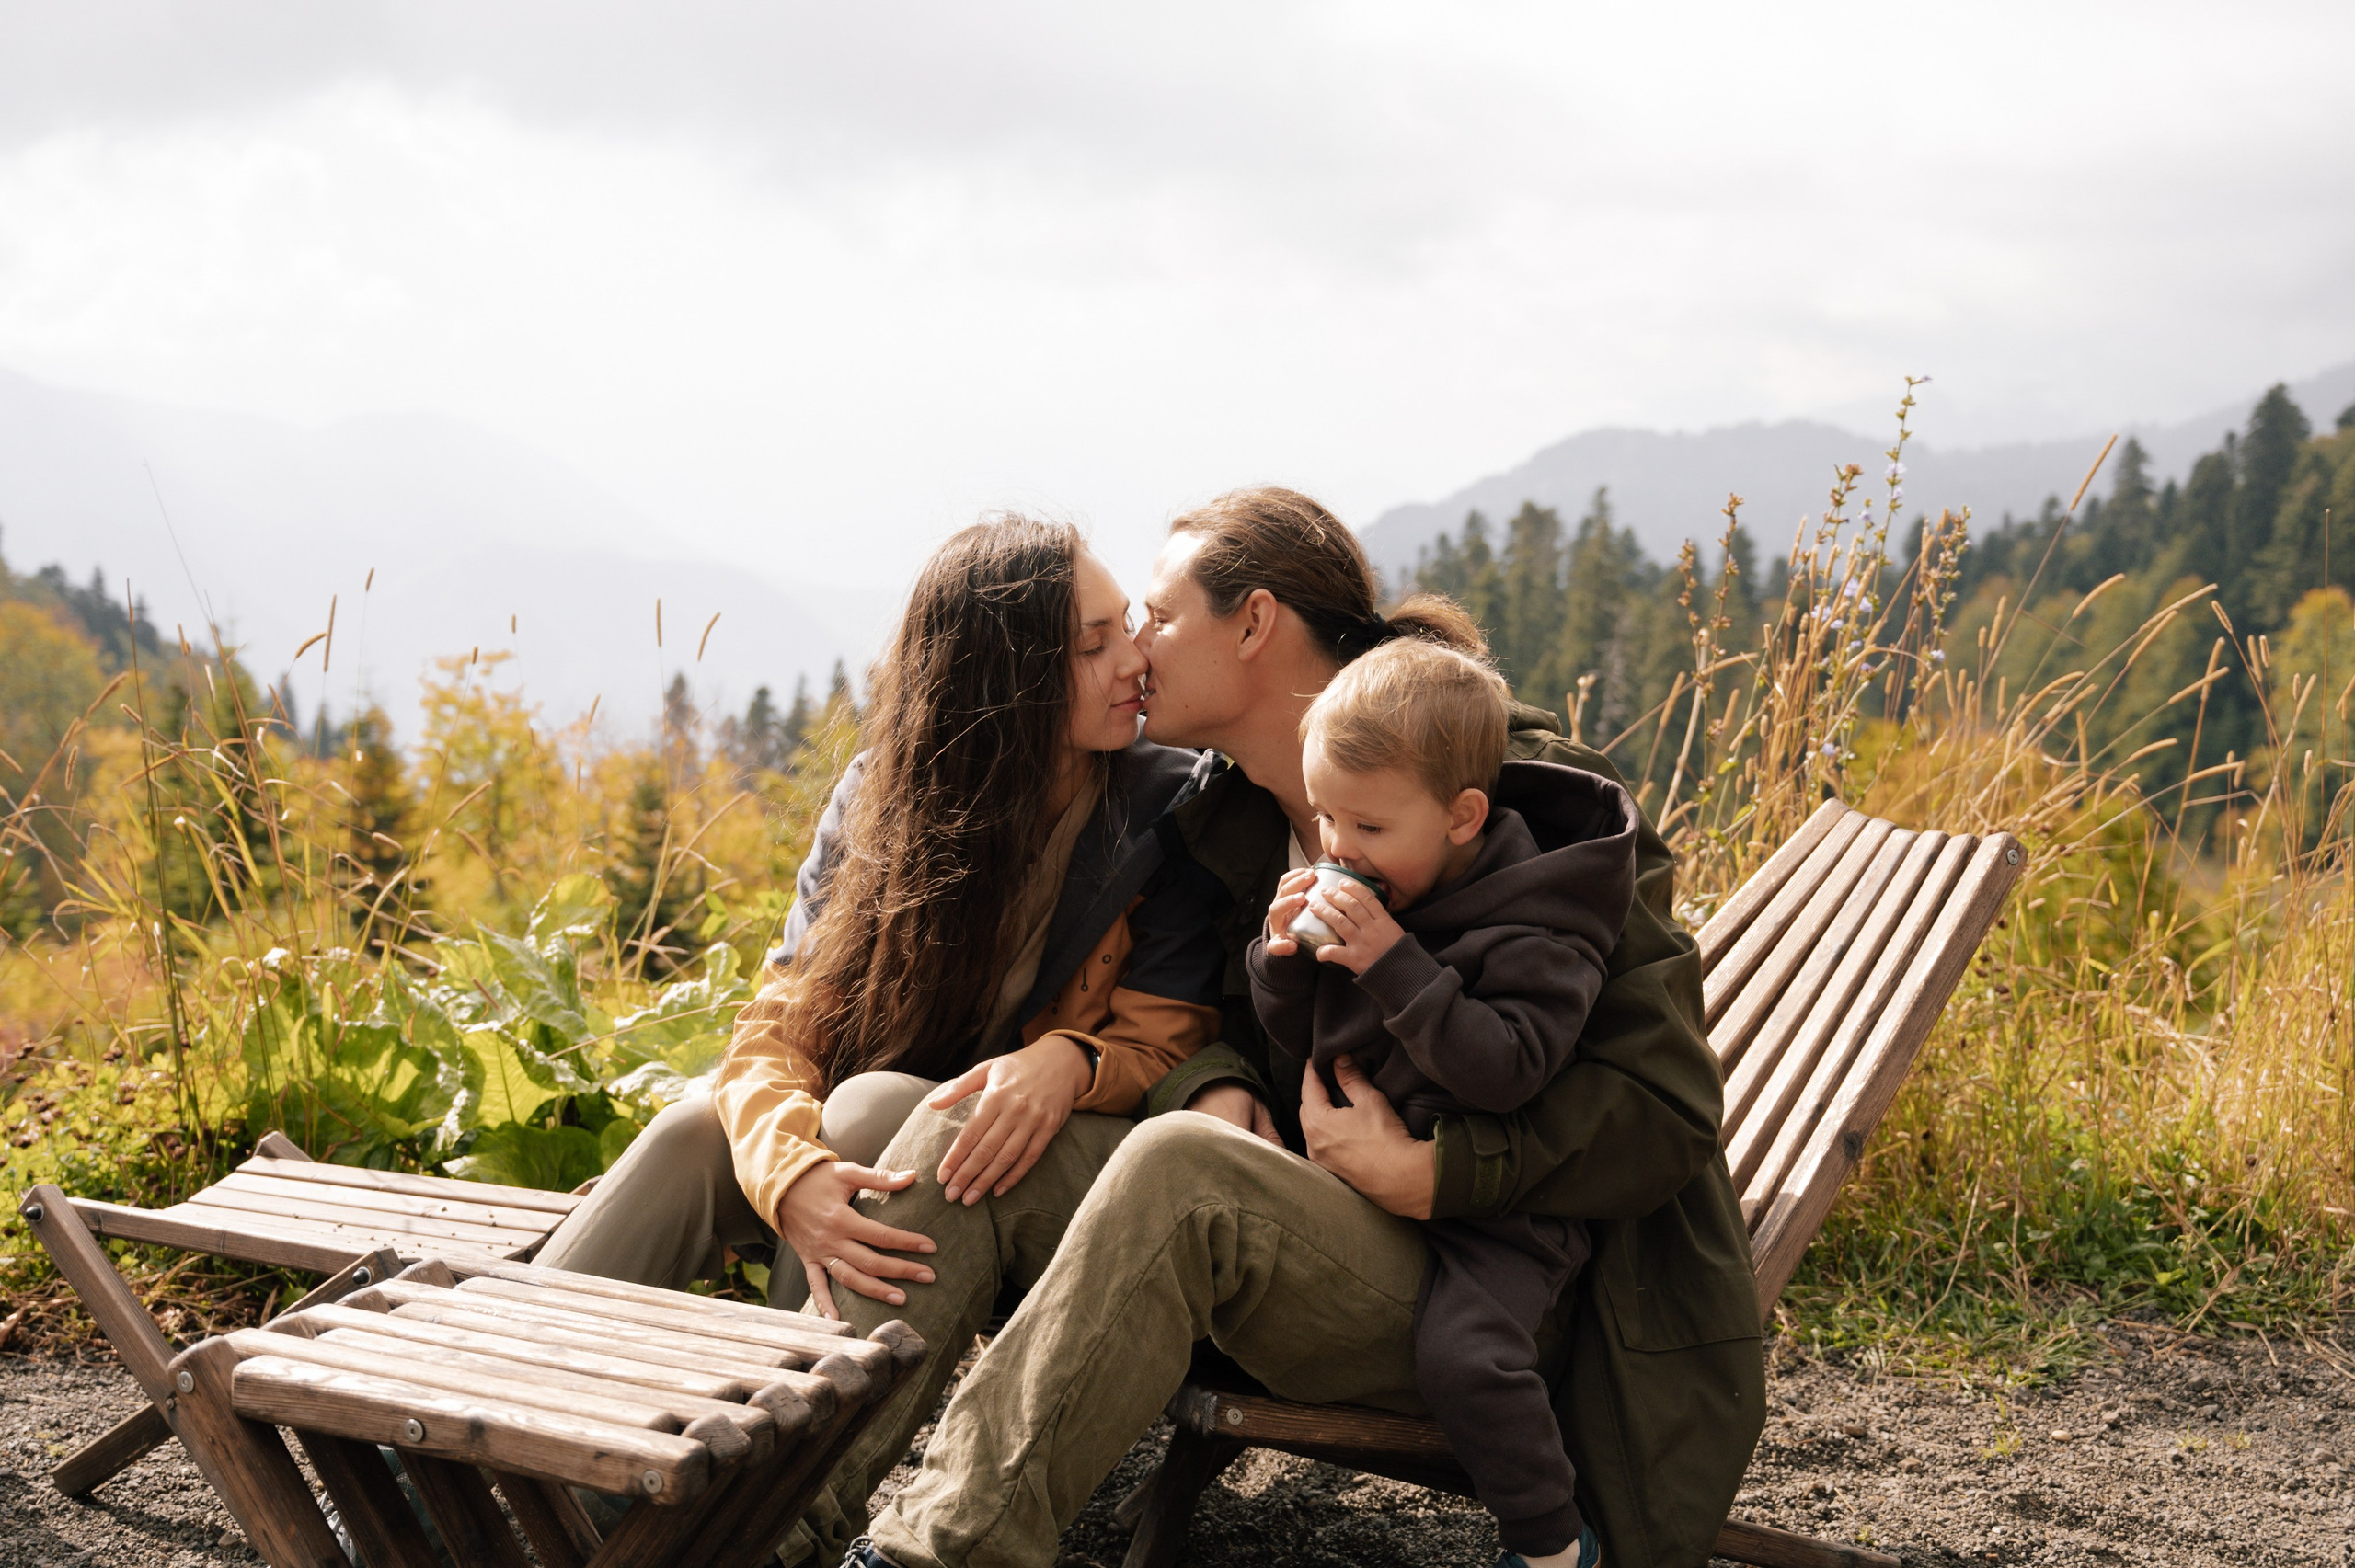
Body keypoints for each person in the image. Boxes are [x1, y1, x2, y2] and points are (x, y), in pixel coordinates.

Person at [842, 486, 1763, 1568]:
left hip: (1507, 1296)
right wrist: (1219, 1084)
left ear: (1254, 624)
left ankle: (931, 1556)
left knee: (1183, 1169)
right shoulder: (1229, 818)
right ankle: (769, 1518)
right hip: (1318, 1230)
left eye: (1159, 613)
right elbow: (1222, 1023)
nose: (1136, 643)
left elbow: (1665, 1108)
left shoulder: (1520, 802)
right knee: (960, 1135)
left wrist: (1440, 1174)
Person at [535, 515, 1228, 1549]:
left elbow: (1167, 1036)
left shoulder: (1167, 807)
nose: (1132, 659)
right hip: (874, 1166)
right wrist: (790, 1181)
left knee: (869, 1106)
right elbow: (777, 1024)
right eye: (1092, 643)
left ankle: (745, 1501)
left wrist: (1069, 1059)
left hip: (1010, 1170)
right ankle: (470, 1440)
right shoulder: (888, 796)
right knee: (695, 1133)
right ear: (1005, 677)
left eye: (1124, 625)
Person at [1248, 636, 1637, 1568]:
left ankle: (1551, 1544)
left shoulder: (1541, 924)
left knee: (1467, 1359)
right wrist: (1278, 959)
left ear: (1464, 815)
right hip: (1354, 1193)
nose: (1339, 846)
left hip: (1496, 1221)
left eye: (1368, 828)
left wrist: (1395, 964)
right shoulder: (1386, 882)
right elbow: (1295, 1030)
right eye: (1325, 817)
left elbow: (1509, 1068)